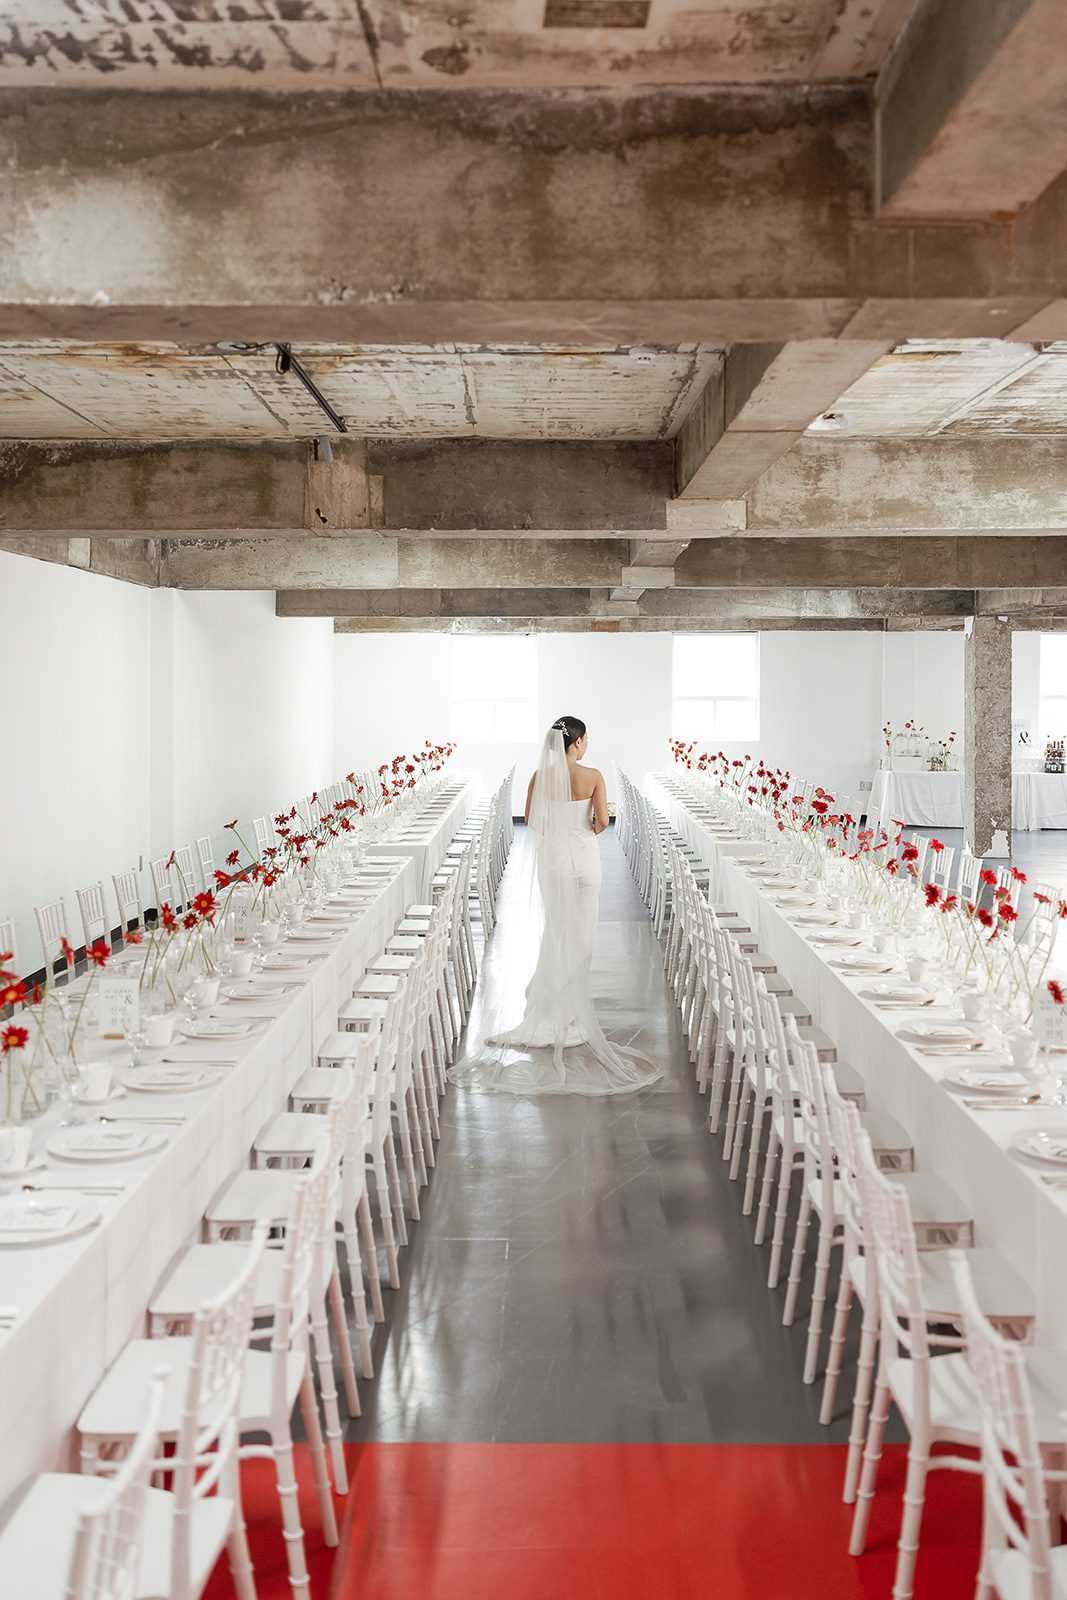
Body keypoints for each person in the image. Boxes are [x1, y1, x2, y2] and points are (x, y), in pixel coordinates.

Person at [449, 715, 662, 1097]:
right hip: (585, 863)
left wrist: (556, 834)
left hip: (554, 866)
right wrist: (584, 829)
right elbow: (601, 822)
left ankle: (551, 1012)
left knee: (557, 930)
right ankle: (571, 1013)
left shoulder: (538, 777)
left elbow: (532, 820)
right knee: (582, 934)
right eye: (586, 740)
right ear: (577, 744)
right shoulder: (593, 776)